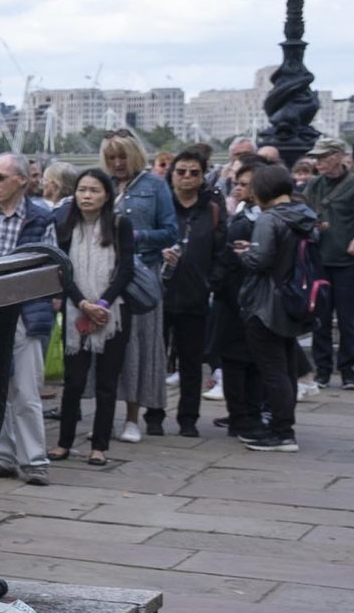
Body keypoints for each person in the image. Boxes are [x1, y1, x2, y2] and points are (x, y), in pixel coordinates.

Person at [0, 156, 58, 484]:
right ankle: (1, 454)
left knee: (26, 389)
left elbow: (47, 268)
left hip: (24, 311)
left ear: (21, 180)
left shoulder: (40, 218)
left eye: (0, 178)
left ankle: (34, 460)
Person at [51, 168, 135, 469]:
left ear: (107, 196)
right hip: (76, 308)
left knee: (106, 383)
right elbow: (61, 271)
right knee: (73, 382)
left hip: (113, 311)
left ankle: (99, 446)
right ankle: (64, 442)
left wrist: (102, 303)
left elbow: (126, 269)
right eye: (82, 190)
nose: (86, 196)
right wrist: (82, 303)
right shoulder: (65, 225)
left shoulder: (119, 224)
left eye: (94, 190)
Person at [239, 162, 322, 452]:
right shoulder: (305, 216)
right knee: (285, 367)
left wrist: (243, 254)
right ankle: (284, 426)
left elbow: (259, 261)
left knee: (272, 371)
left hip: (266, 303)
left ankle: (281, 431)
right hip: (294, 301)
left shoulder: (269, 219)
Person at [102, 130, 177, 441]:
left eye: (122, 156)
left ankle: (133, 418)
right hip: (104, 273)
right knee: (104, 347)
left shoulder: (155, 185)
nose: (118, 163)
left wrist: (138, 237)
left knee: (138, 348)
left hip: (140, 274)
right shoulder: (102, 184)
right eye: (111, 158)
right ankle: (104, 415)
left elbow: (171, 231)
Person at [163, 146, 226, 439]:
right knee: (156, 359)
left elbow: (221, 251)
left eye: (194, 173)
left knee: (191, 362)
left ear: (203, 177)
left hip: (195, 295)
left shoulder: (211, 207)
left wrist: (210, 281)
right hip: (160, 294)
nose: (187, 178)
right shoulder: (162, 205)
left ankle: (188, 418)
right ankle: (153, 413)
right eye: (181, 172)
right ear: (171, 174)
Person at [209, 159, 263, 437]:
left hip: (242, 299)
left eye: (245, 184)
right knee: (238, 362)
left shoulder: (252, 220)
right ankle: (243, 417)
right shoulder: (245, 215)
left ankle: (245, 417)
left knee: (243, 363)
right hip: (235, 300)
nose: (238, 188)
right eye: (237, 183)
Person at [303, 138, 354, 386]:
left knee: (348, 320)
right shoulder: (313, 185)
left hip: (347, 262)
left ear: (338, 156)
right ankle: (323, 371)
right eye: (316, 157)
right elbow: (300, 213)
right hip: (319, 260)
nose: (318, 162)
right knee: (320, 320)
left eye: (323, 157)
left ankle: (348, 371)